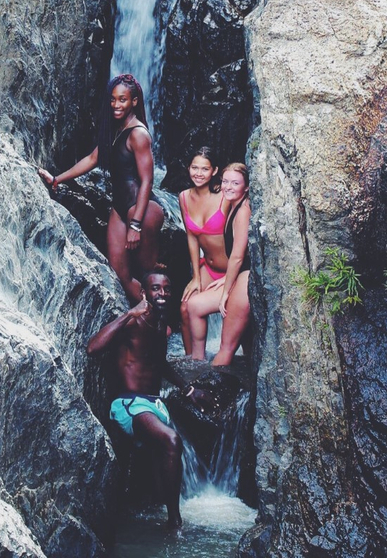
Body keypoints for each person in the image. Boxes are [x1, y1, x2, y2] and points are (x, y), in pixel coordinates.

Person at [87, 268, 214, 529]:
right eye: (156, 288)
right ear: (144, 293)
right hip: (129, 405)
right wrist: (129, 313)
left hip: (155, 405)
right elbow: (93, 347)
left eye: (167, 288)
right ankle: (175, 523)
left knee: (158, 478)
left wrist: (189, 391)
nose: (162, 293)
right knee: (171, 440)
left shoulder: (160, 325)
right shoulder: (133, 322)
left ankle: (155, 519)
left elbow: (160, 363)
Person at [38, 74, 164, 303]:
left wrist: (135, 223)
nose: (116, 105)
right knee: (120, 274)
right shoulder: (116, 129)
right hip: (119, 208)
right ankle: (149, 319)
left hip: (143, 211)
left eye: (123, 100)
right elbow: (92, 158)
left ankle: (161, 328)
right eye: (113, 99)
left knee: (148, 276)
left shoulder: (138, 134)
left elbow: (147, 181)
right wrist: (57, 179)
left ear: (134, 101)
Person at [180, 161, 251, 366]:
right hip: (237, 275)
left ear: (246, 187)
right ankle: (197, 363)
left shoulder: (243, 210)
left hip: (245, 278)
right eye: (225, 182)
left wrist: (227, 290)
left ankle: (214, 389)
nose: (228, 187)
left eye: (235, 183)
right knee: (193, 305)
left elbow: (238, 257)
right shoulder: (234, 205)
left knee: (226, 350)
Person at [179, 147, 230, 358]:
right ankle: (192, 362)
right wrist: (196, 277)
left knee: (228, 312)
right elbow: (192, 236)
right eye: (194, 168)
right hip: (207, 268)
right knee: (184, 308)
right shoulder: (183, 197)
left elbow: (241, 238)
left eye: (205, 169)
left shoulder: (225, 198)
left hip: (231, 269)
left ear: (214, 171)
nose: (198, 173)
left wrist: (230, 277)